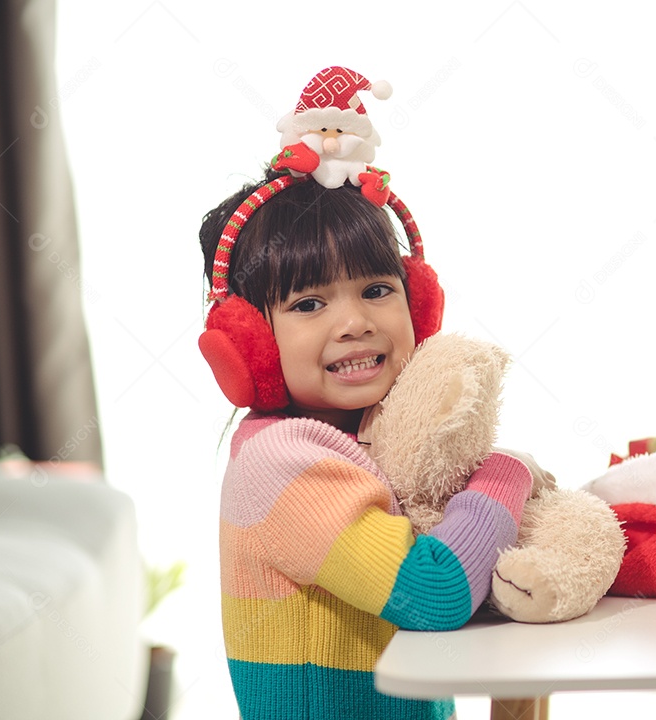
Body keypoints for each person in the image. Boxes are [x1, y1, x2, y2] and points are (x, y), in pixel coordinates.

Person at [199, 69, 542, 720]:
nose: (353, 321)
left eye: (377, 290)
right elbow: (433, 593)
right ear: (253, 343)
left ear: (418, 302)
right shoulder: (285, 462)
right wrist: (506, 473)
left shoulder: (362, 435)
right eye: (308, 302)